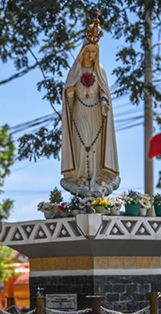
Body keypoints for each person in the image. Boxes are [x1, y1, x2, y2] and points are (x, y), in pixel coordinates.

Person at [60, 13, 120, 198]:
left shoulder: (100, 71)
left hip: (95, 112)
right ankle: (81, 176)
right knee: (81, 144)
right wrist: (69, 94)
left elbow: (104, 91)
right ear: (82, 52)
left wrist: (104, 103)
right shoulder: (75, 71)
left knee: (95, 145)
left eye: (94, 52)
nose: (91, 55)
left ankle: (94, 177)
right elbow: (68, 96)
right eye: (88, 52)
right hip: (80, 112)